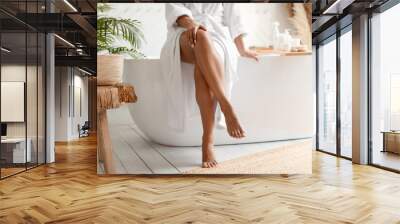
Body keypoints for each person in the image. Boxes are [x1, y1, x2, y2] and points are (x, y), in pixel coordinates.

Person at [161, 3, 258, 168]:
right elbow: (175, 10)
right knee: (201, 36)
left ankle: (207, 141)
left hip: (217, 38)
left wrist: (242, 49)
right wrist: (193, 25)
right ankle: (226, 106)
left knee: (203, 67)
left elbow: (234, 17)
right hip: (184, 35)